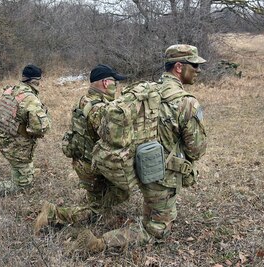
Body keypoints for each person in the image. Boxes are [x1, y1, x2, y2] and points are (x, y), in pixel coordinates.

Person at [67, 44, 208, 253]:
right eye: (194, 65)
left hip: (139, 166)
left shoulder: (145, 90)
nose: (198, 70)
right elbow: (196, 150)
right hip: (164, 175)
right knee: (156, 230)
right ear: (179, 67)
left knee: (152, 207)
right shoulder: (186, 103)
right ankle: (98, 244)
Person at [34, 64, 126, 233]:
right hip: (92, 166)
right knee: (103, 207)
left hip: (83, 161)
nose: (117, 87)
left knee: (103, 197)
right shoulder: (99, 108)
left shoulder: (84, 100)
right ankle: (54, 214)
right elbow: (114, 136)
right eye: (115, 83)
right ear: (106, 83)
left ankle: (96, 199)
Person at [0, 64, 51, 197]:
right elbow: (41, 128)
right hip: (19, 147)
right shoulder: (30, 99)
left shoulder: (9, 91)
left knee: (24, 170)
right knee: (23, 186)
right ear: (36, 81)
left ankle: (26, 171)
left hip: (4, 140)